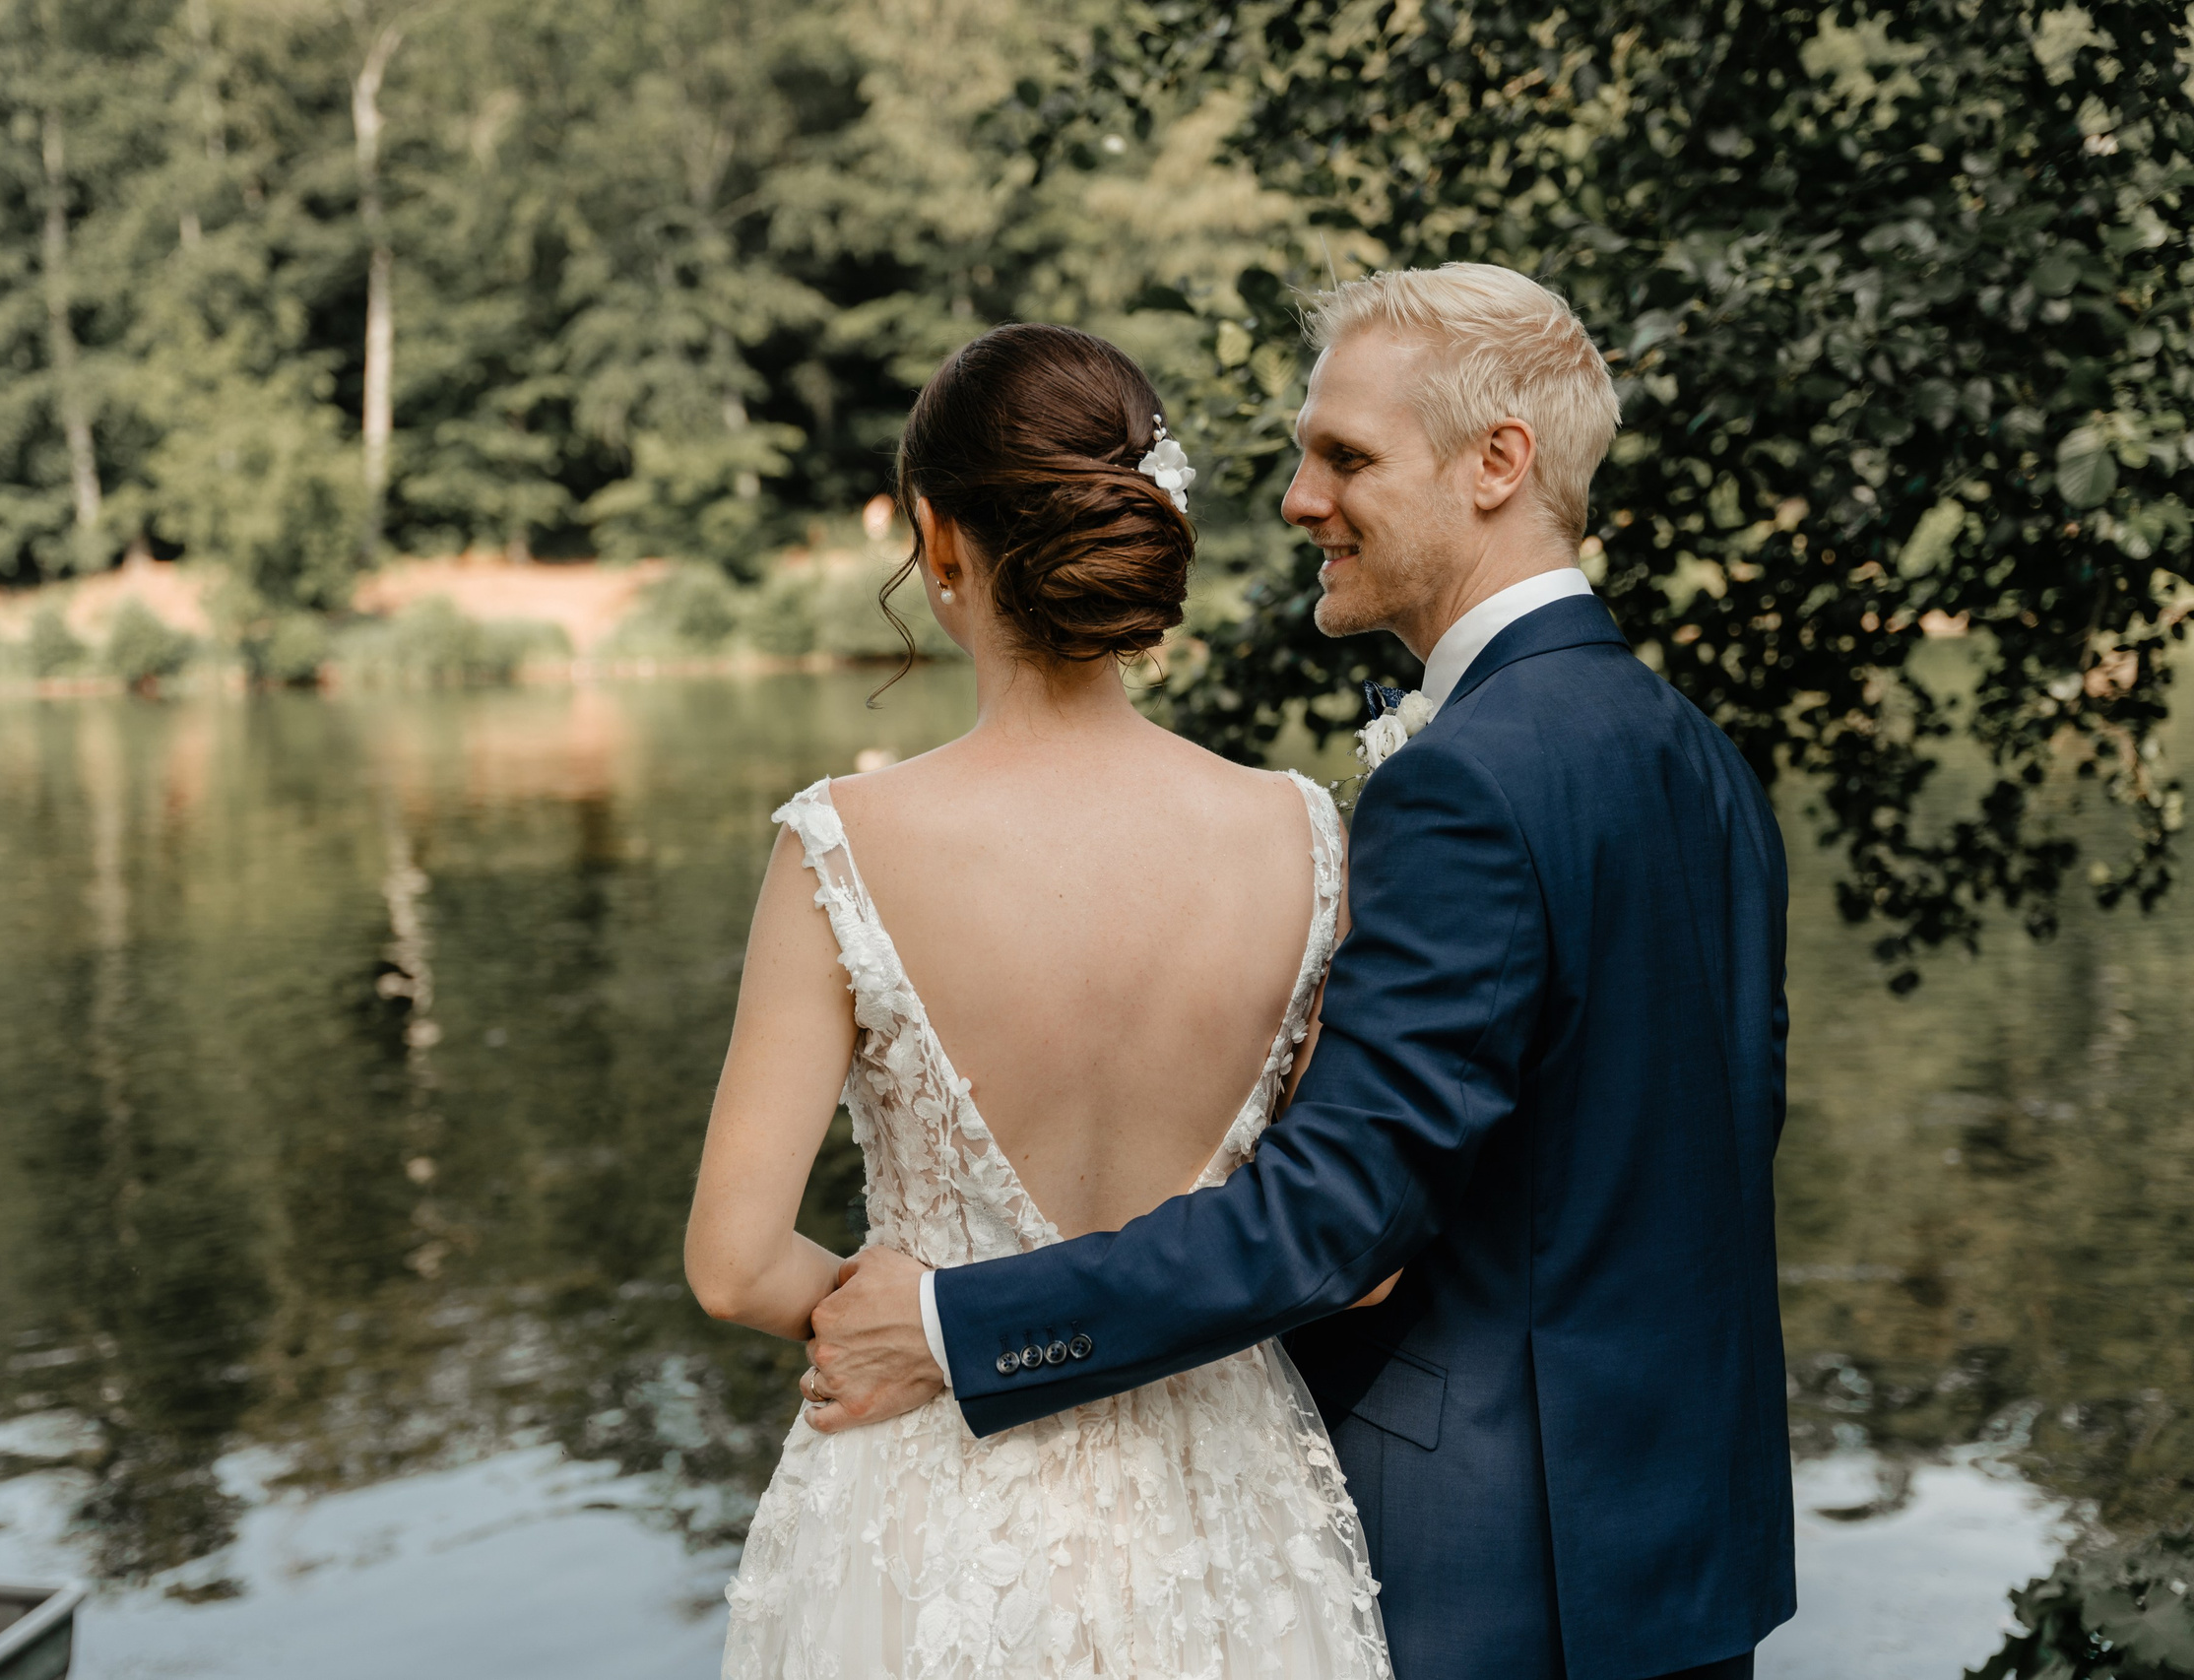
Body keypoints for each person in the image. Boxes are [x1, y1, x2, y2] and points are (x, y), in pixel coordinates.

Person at [799, 265, 1797, 1680]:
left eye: (1344, 456)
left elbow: (1336, 1219)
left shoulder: (1466, 784)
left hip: (1494, 1573)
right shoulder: (1703, 760)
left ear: (1497, 463)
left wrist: (962, 1325)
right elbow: (1716, 1138)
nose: (1297, 499)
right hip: (1687, 1558)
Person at [684, 322, 1396, 1678]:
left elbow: (732, 1260)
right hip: (1223, 1507)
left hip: (929, 1500)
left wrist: (917, 1322)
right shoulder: (1301, 834)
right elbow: (1357, 1252)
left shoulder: (842, 842)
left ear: (938, 540)